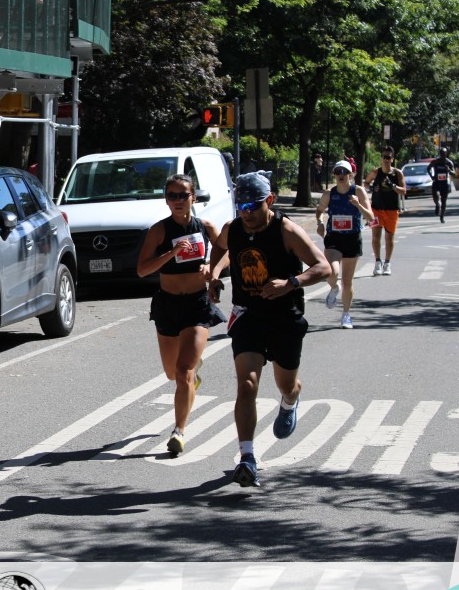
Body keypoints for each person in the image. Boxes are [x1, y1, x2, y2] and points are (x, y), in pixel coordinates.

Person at [208, 171, 331, 488]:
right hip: (248, 315)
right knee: (247, 384)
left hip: (284, 317)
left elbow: (323, 267)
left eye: (253, 205)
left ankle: (290, 400)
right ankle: (247, 458)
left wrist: (290, 283)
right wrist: (214, 274)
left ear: (270, 201)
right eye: (241, 206)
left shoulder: (286, 230)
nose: (246, 213)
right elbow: (219, 247)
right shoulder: (233, 228)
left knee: (285, 383)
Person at [136, 173, 227, 455]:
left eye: (182, 195)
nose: (177, 200)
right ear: (166, 200)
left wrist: (212, 269)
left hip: (197, 305)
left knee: (183, 370)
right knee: (171, 373)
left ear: (193, 198)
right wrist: (171, 252)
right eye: (171, 196)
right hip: (168, 304)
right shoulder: (159, 231)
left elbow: (227, 251)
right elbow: (142, 270)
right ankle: (190, 377)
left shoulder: (206, 227)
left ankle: (179, 431)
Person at [315, 159, 374, 329]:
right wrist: (320, 222)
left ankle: (346, 315)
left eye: (344, 172)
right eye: (337, 172)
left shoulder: (358, 191)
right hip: (334, 238)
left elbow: (370, 217)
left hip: (352, 239)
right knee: (331, 272)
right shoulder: (329, 194)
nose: (340, 175)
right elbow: (319, 210)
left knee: (347, 282)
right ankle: (334, 288)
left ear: (350, 175)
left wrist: (358, 205)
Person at [364, 147, 405, 276]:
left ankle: (387, 263)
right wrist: (372, 188)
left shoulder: (397, 173)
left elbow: (403, 191)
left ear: (392, 159)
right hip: (376, 209)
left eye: (388, 157)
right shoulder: (376, 172)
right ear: (381, 158)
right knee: (375, 236)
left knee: (389, 237)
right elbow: (366, 183)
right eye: (384, 157)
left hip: (392, 210)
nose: (385, 159)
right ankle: (377, 261)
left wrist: (393, 186)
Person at [426, 148, 455, 223]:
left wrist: (449, 170)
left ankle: (442, 216)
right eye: (441, 154)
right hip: (436, 181)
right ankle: (437, 204)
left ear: (446, 154)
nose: (443, 156)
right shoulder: (435, 161)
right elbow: (428, 168)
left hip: (445, 183)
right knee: (435, 195)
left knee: (444, 200)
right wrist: (431, 176)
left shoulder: (449, 162)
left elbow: (454, 173)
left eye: (444, 154)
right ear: (440, 154)